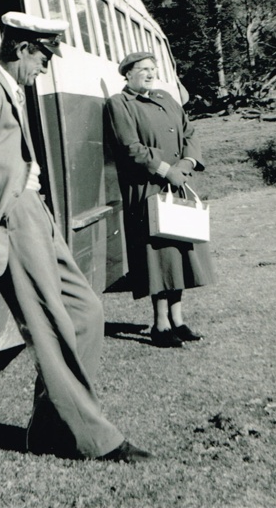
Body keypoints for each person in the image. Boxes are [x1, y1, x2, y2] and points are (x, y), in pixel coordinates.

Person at [0, 12, 152, 463]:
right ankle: (93, 438)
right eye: (43, 56)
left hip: (33, 214)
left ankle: (50, 429)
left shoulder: (4, 87)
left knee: (87, 311)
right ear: (20, 48)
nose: (46, 67)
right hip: (11, 218)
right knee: (51, 326)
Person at [104, 51, 215, 348]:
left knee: (180, 253)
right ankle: (160, 324)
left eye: (153, 69)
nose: (150, 73)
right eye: (143, 69)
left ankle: (178, 320)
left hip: (176, 183)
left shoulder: (166, 98)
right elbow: (129, 147)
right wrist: (166, 170)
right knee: (159, 256)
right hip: (148, 188)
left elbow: (189, 132)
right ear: (127, 74)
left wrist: (186, 165)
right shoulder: (119, 104)